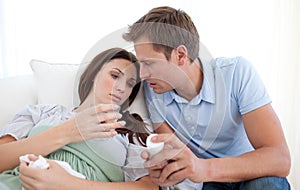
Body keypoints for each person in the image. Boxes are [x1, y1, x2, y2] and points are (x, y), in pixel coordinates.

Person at [122, 6, 291, 189]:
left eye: (149, 63)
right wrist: (164, 168)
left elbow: (280, 159)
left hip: (250, 174)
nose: (143, 74)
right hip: (206, 184)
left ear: (180, 55)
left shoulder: (236, 73)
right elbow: (174, 153)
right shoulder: (154, 91)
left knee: (268, 185)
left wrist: (203, 168)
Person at [0, 48, 158, 190]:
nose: (121, 88)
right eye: (115, 76)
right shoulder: (43, 112)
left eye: (130, 84)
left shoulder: (130, 136)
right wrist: (67, 132)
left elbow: (149, 188)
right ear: (95, 74)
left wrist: (68, 184)